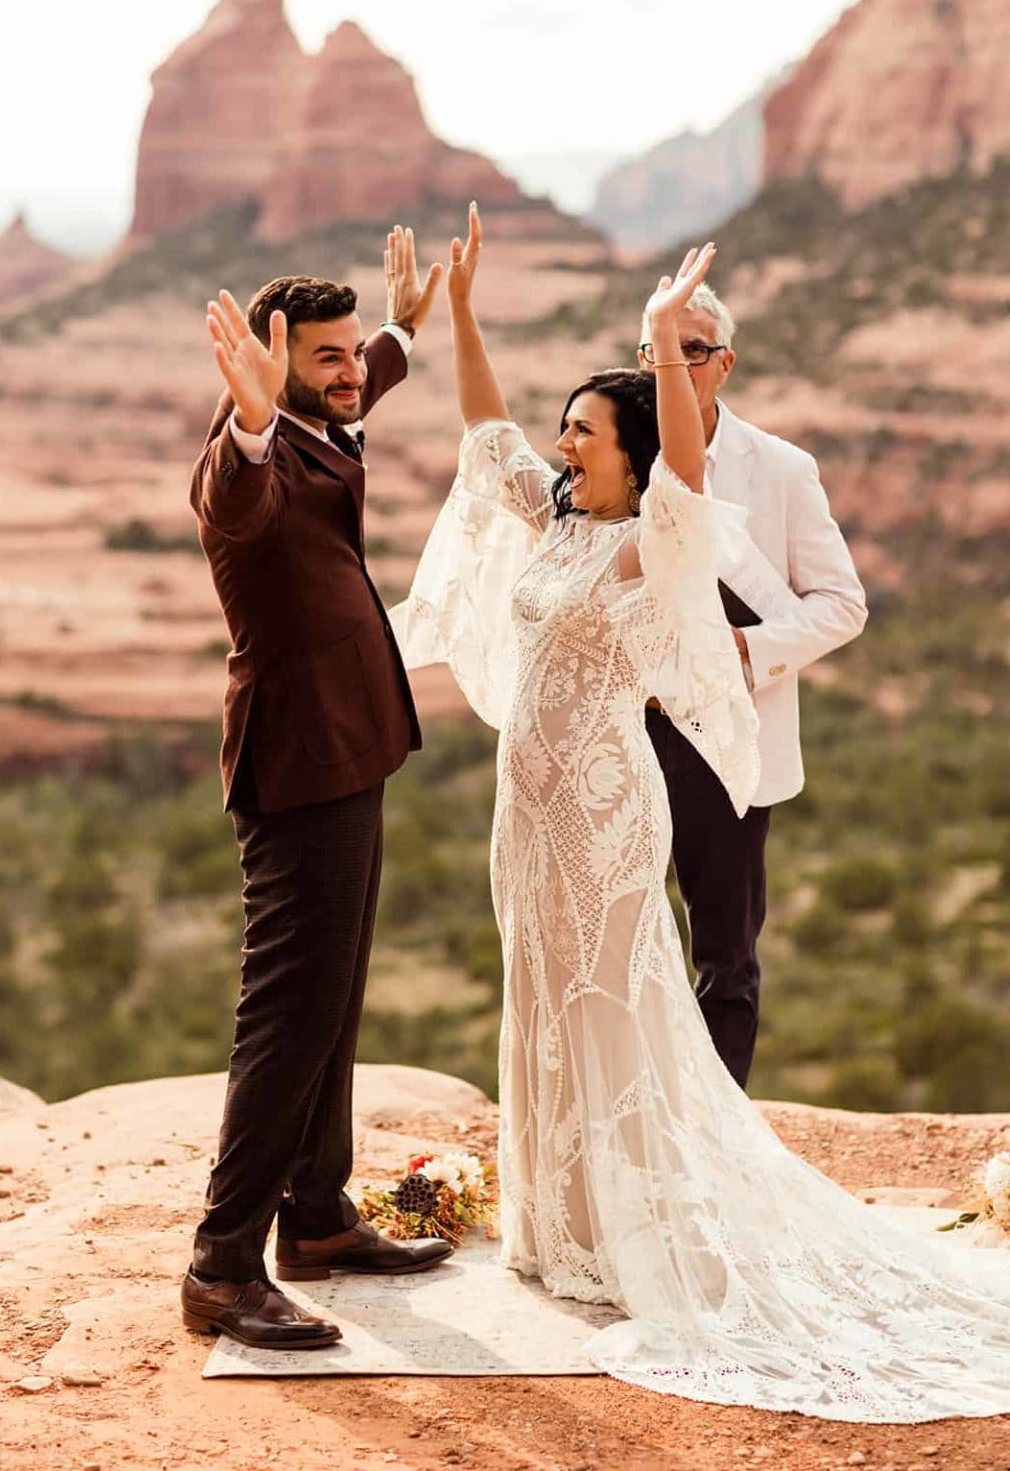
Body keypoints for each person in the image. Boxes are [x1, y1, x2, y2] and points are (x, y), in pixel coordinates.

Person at [391, 203, 1010, 1419]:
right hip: (528, 806)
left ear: (627, 446)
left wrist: (670, 345)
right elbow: (483, 428)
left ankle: (635, 1224)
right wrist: (459, 314)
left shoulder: (650, 541)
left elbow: (687, 462)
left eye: (581, 430)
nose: (561, 445)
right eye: (564, 428)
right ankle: (554, 1222)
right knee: (539, 984)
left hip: (610, 806)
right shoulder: (556, 515)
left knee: (619, 998)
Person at [182, 228, 453, 1351]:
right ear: (270, 365)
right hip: (300, 760)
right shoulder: (249, 456)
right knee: (287, 1015)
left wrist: (399, 333)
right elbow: (233, 497)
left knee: (333, 998)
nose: (350, 376)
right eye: (327, 359)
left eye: (354, 358)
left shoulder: (320, 413)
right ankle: (220, 1264)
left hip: (353, 746)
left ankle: (319, 1214)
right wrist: (245, 419)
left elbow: (356, 381)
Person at [638, 287, 867, 1088]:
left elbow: (843, 605)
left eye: (692, 348)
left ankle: (722, 1144)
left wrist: (744, 650)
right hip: (625, 735)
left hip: (733, 742)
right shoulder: (616, 453)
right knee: (619, 947)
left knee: (724, 955)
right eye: (658, 347)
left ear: (723, 364)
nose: (675, 362)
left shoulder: (781, 468)